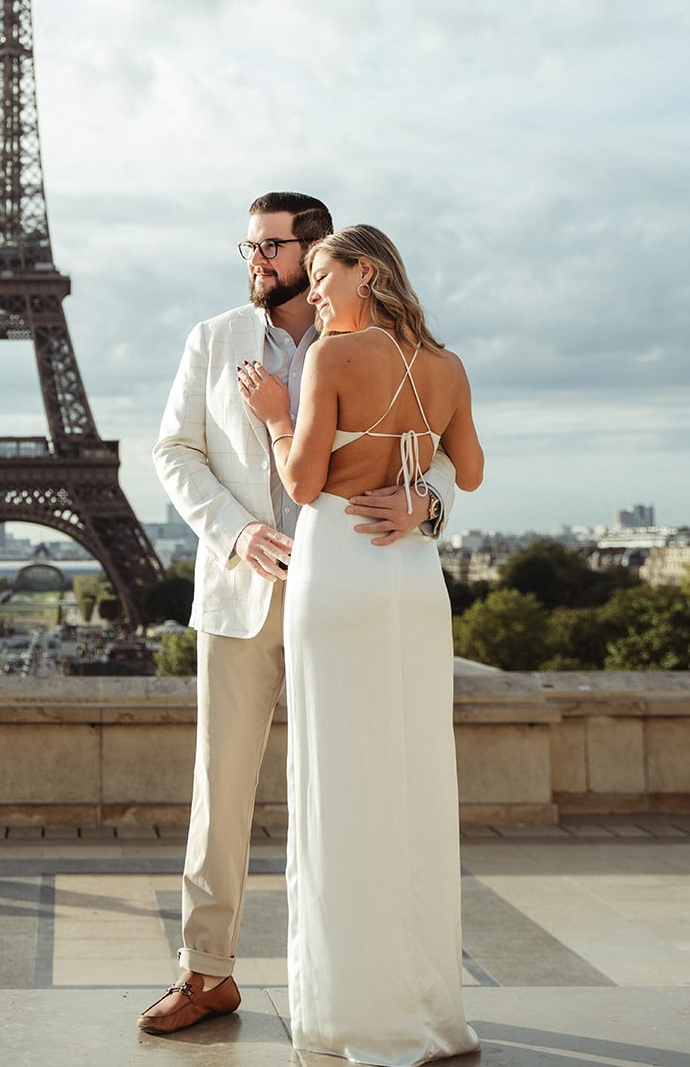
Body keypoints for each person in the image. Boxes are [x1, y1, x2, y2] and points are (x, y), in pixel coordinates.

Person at [140, 195, 458, 1036]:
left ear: (321, 252)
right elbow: (173, 450)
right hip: (248, 588)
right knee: (223, 785)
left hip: (348, 587)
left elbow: (444, 452)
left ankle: (363, 978)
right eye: (248, 245)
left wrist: (424, 503)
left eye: (273, 246)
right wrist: (237, 531)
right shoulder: (214, 340)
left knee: (355, 785)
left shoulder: (381, 344)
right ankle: (205, 971)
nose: (255, 260)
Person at [238, 223, 483, 1064]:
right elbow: (470, 472)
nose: (309, 290)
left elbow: (303, 484)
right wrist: (420, 501)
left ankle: (352, 1011)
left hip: (339, 569)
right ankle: (424, 1006)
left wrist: (275, 415)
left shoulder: (330, 360)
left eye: (319, 271)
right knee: (413, 779)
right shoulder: (447, 367)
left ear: (363, 271)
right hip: (412, 580)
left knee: (338, 783)